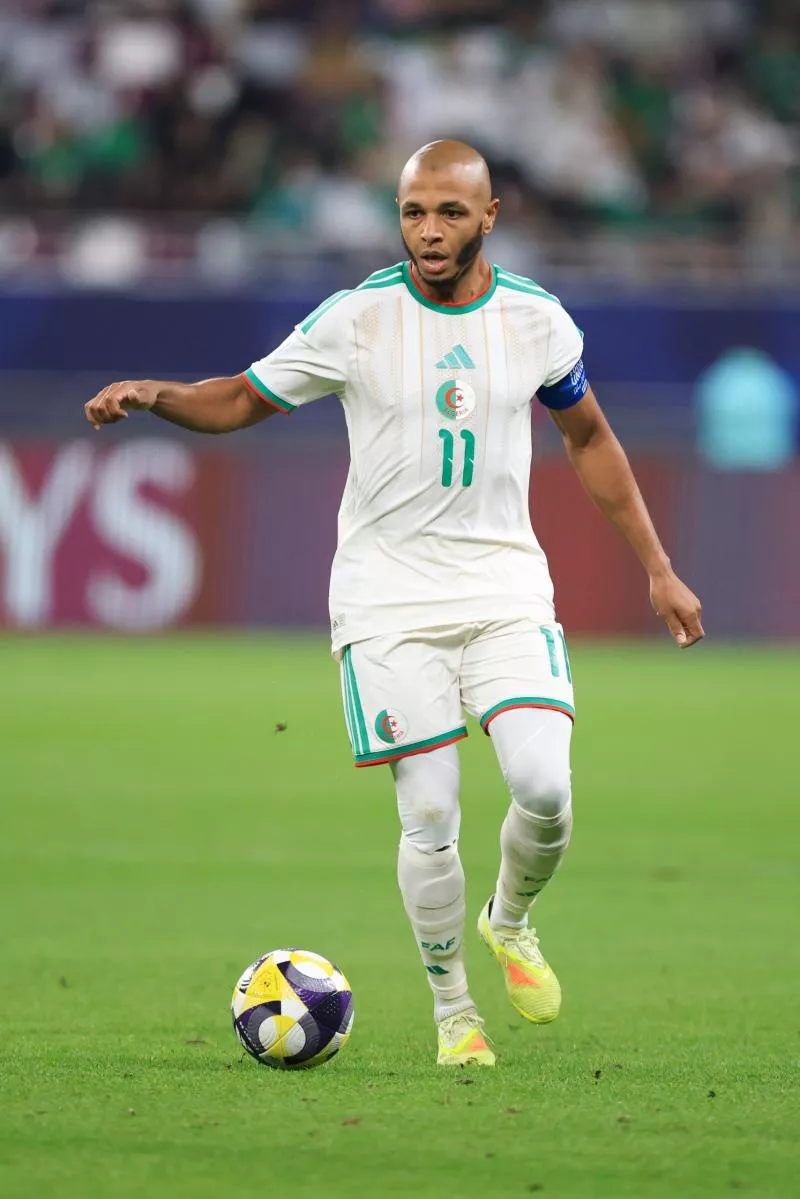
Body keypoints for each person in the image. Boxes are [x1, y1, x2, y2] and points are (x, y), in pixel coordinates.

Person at [85, 140, 704, 1067]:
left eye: (450, 212)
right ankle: (455, 1013)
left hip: (503, 584)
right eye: (414, 211)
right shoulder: (358, 316)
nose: (429, 231)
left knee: (545, 789)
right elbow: (242, 399)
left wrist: (658, 566)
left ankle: (510, 917)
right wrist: (157, 395)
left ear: (490, 216)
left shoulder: (537, 320)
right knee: (432, 813)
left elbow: (590, 438)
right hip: (386, 601)